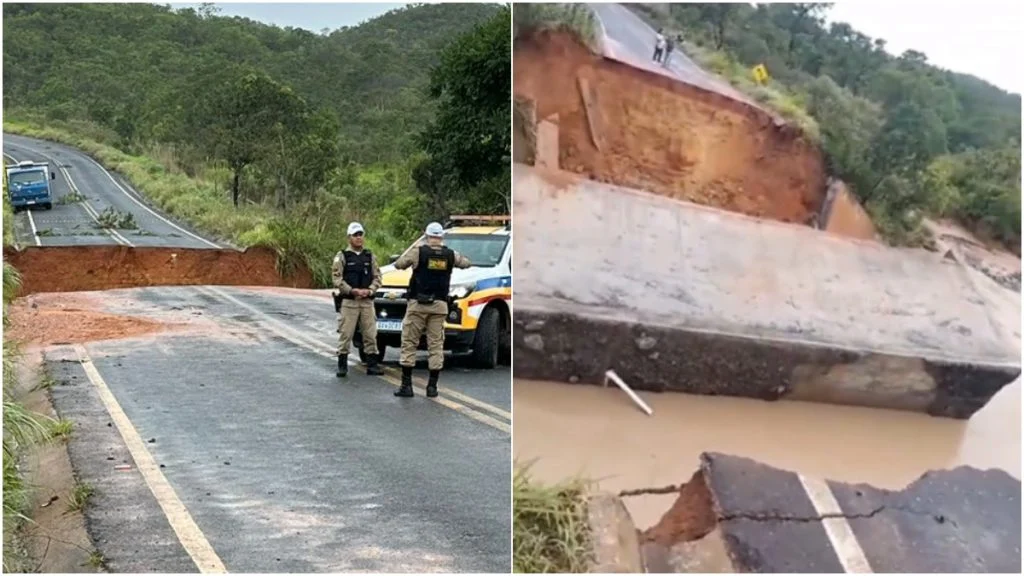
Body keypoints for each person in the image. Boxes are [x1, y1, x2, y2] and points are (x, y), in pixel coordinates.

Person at [392, 222, 471, 398]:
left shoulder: (419, 251)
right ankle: (432, 387)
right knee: (435, 345)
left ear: (427, 235)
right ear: (441, 236)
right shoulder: (450, 254)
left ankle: (407, 386)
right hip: (440, 305)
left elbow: (399, 264)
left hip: (418, 305)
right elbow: (466, 263)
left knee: (409, 343)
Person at [332, 222, 384, 378]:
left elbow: (378, 277)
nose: (358, 238)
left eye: (360, 234)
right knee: (345, 333)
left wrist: (370, 290)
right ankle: (342, 364)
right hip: (349, 302)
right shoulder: (342, 256)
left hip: (367, 302)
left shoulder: (370, 256)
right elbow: (336, 278)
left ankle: (372, 364)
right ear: (349, 238)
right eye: (355, 235)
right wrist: (351, 290)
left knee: (370, 334)